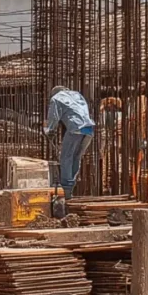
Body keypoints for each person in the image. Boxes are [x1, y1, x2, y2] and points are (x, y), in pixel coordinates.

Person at [45, 85, 95, 214]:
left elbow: (54, 117)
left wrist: (50, 130)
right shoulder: (77, 95)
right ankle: (70, 186)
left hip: (75, 128)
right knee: (75, 157)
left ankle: (66, 190)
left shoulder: (56, 98)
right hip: (88, 129)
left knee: (66, 157)